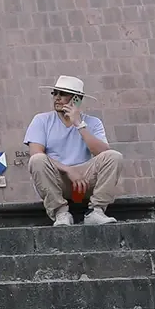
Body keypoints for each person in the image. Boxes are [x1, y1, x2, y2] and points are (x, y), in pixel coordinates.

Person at [25, 75, 124, 226]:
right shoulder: (41, 120)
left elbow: (103, 152)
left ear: (77, 99)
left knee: (114, 156)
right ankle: (61, 213)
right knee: (37, 160)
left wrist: (79, 124)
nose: (57, 98)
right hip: (58, 181)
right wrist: (68, 170)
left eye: (63, 94)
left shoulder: (93, 122)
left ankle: (96, 212)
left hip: (84, 184)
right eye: (55, 93)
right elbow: (36, 153)